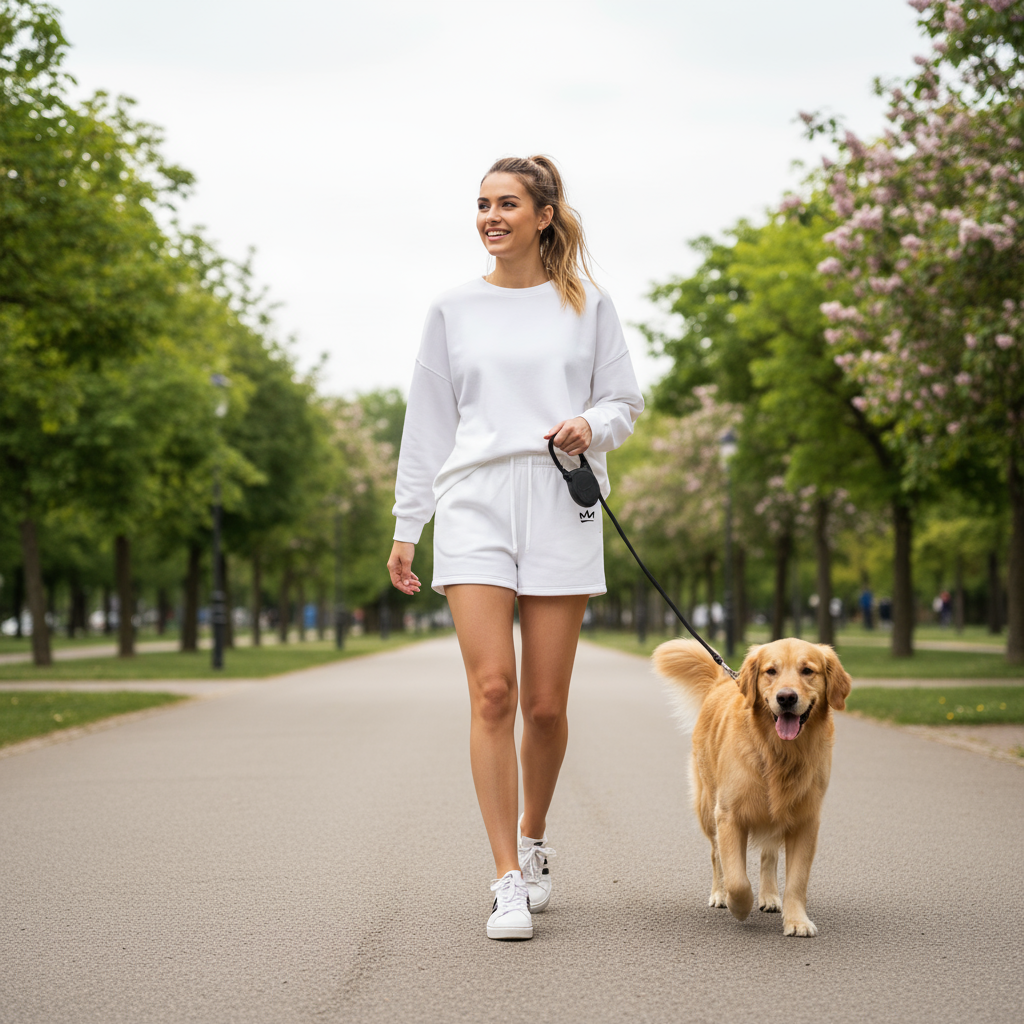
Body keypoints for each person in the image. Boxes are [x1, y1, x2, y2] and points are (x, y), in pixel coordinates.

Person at [386, 155, 643, 941]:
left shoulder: (587, 306)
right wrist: (408, 525)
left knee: (545, 705)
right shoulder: (451, 310)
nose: (491, 217)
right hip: (475, 504)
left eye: (506, 204)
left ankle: (533, 840)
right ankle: (504, 878)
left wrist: (589, 427)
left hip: (560, 498)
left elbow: (625, 402)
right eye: (481, 204)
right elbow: (427, 424)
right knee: (493, 690)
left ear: (544, 215)